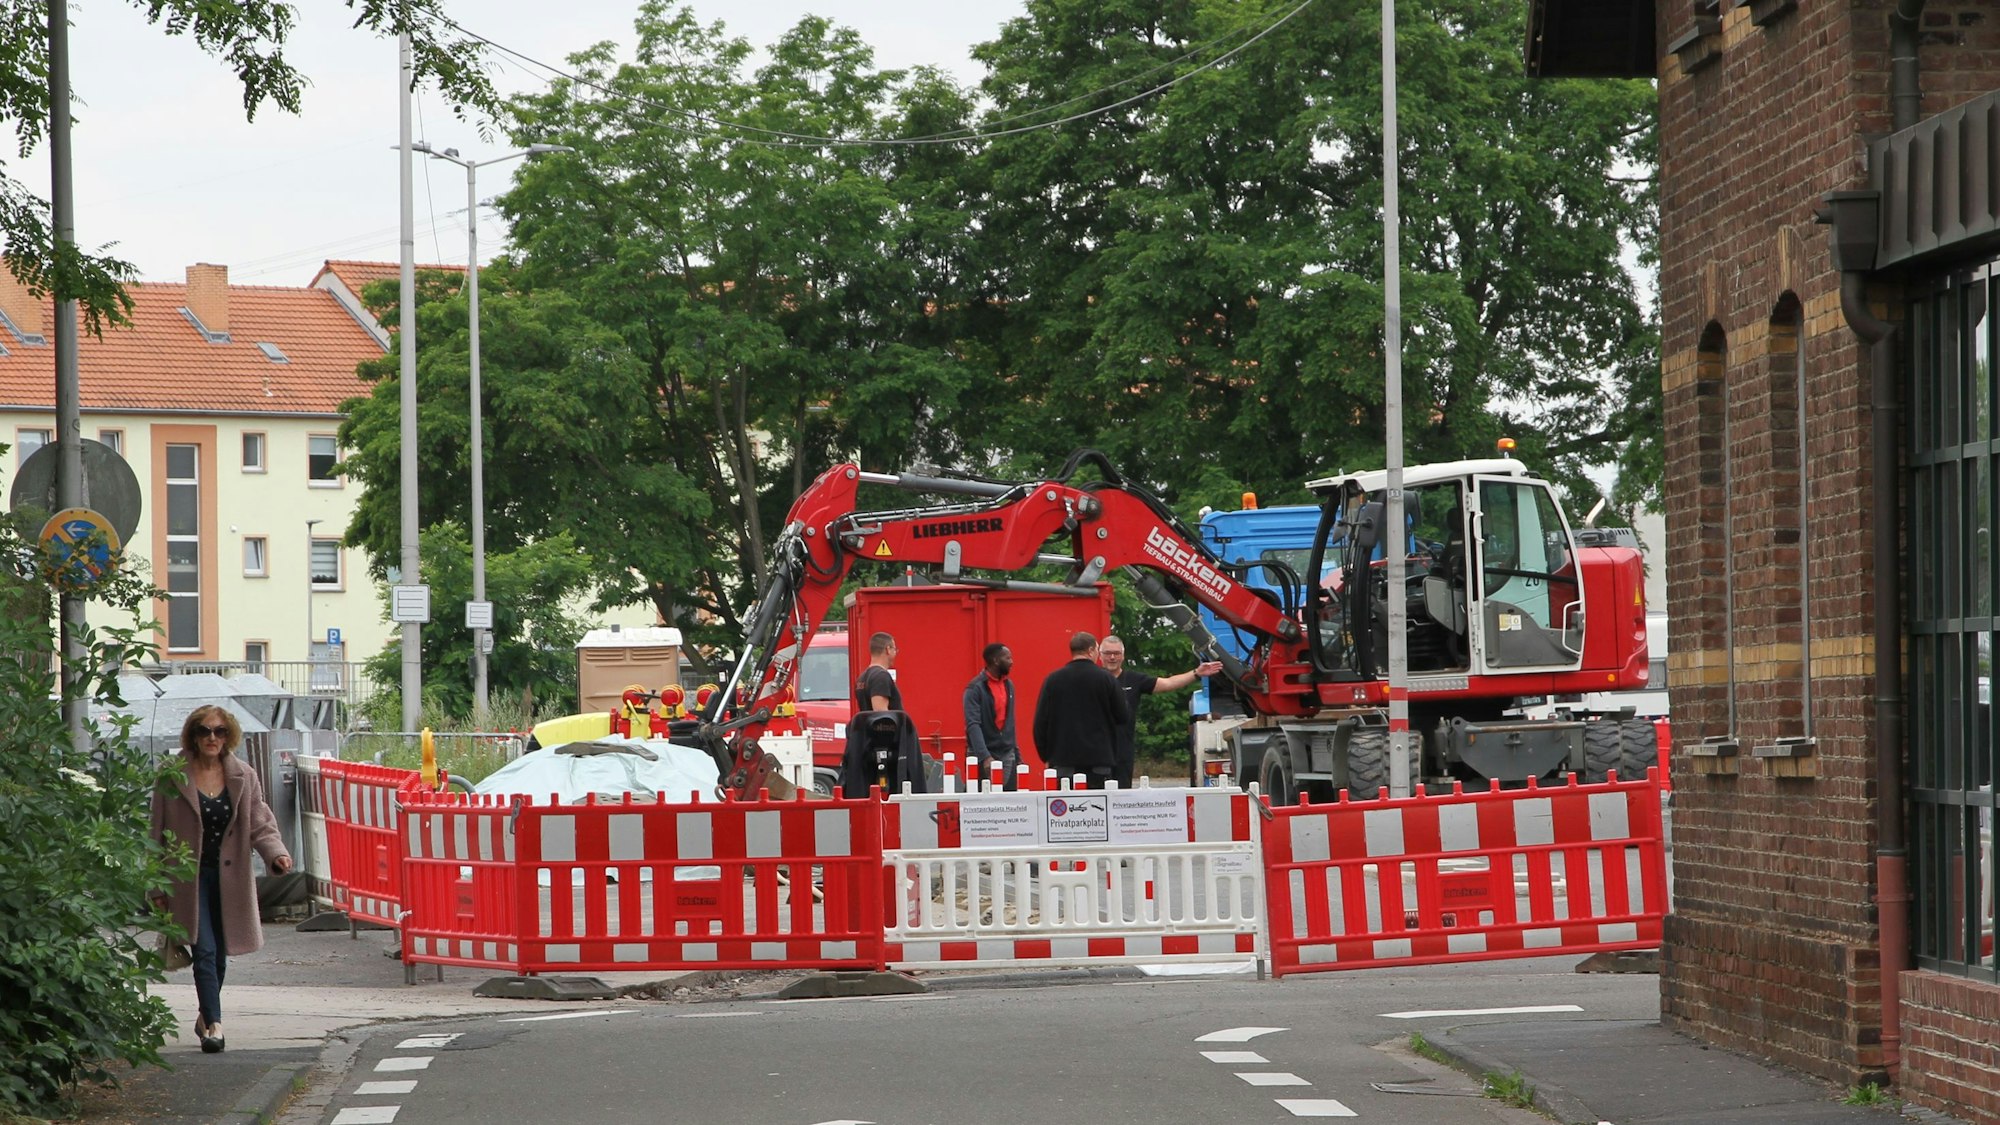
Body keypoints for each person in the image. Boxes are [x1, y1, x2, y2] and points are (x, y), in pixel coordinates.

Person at [149, 705, 292, 1055]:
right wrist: (155, 884)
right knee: (206, 949)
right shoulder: (172, 775)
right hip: (187, 878)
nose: (212, 738)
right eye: (204, 731)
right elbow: (155, 834)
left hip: (229, 879)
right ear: (192, 736)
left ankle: (203, 1016)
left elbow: (260, 820)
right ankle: (214, 1024)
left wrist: (276, 853)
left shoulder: (243, 775)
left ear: (229, 736)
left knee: (220, 955)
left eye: (219, 731)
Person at [1098, 635, 1224, 788]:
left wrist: (1196, 673)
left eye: (1116, 653)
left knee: (1120, 795)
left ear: (1123, 656)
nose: (1112, 657)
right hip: (1095, 751)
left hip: (1122, 751)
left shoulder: (1133, 679)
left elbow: (1168, 683)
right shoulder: (1091, 678)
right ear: (1100, 655)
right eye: (1108, 653)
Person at [1032, 632, 1130, 789]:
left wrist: (1047, 756)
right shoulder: (1107, 679)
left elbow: (1040, 723)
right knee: (1096, 810)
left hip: (1063, 762)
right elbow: (1123, 716)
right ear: (1091, 650)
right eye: (1098, 649)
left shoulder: (1052, 680)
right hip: (1099, 762)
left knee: (1065, 810)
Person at [962, 642, 1020, 789]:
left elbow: (1009, 723)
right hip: (983, 756)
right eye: (1008, 658)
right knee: (981, 806)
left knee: (1009, 805)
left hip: (1007, 754)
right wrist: (985, 757)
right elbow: (973, 725)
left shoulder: (1009, 685)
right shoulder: (975, 688)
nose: (1012, 662)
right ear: (995, 660)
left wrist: (1017, 755)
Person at [855, 631, 903, 713]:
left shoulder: (862, 678)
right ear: (888, 650)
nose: (895, 653)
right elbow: (880, 714)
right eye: (894, 649)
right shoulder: (881, 676)